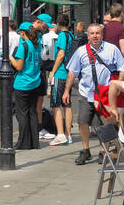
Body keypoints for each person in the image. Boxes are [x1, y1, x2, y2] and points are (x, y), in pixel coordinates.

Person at [64, 23, 124, 165]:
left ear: (102, 35)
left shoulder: (112, 49)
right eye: (92, 33)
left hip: (105, 93)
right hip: (86, 92)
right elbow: (72, 72)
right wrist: (66, 91)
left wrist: (117, 86)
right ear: (88, 36)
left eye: (98, 33)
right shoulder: (81, 51)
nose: (95, 36)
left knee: (104, 124)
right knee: (82, 121)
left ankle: (102, 151)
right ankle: (85, 150)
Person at [9, 22, 42, 150]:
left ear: (23, 32)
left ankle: (23, 142)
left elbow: (18, 66)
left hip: (22, 84)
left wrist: (10, 57)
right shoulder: (37, 45)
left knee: (21, 114)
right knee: (32, 113)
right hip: (35, 82)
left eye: (20, 33)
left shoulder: (24, 46)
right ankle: (34, 142)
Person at [45, 15, 75, 145]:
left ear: (57, 24)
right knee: (67, 104)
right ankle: (68, 134)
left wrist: (52, 72)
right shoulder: (71, 36)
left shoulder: (62, 36)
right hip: (69, 73)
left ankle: (61, 134)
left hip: (60, 73)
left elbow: (61, 54)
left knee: (55, 105)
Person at [102, 6, 124, 79]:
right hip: (118, 67)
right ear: (122, 13)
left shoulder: (104, 28)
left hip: (104, 65)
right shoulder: (122, 29)